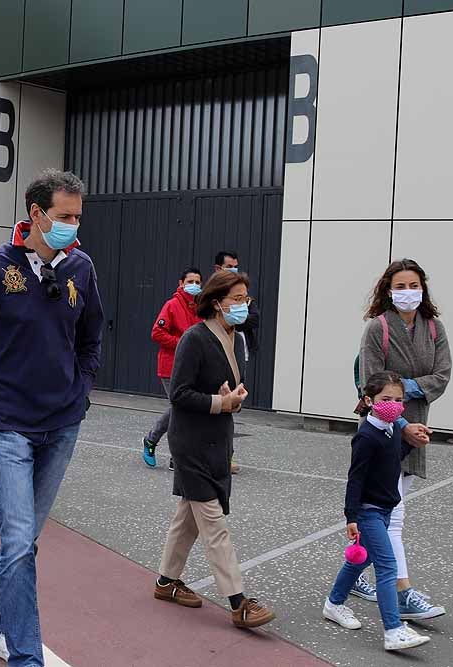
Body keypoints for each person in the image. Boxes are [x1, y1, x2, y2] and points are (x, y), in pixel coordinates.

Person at [0, 169, 103, 666]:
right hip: (9, 424)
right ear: (36, 214)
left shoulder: (81, 268)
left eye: (78, 216)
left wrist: (83, 388)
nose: (73, 225)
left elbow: (93, 335)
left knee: (23, 540)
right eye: (65, 216)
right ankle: (26, 657)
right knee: (18, 540)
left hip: (62, 422)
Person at [152, 269, 275, 629]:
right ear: (217, 302)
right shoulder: (194, 338)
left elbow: (227, 386)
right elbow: (178, 394)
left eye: (245, 299)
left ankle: (165, 582)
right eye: (236, 299)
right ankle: (239, 602)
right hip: (190, 442)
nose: (243, 306)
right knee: (213, 523)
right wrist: (220, 403)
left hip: (217, 439)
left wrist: (232, 398)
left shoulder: (232, 338)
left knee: (187, 519)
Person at [353, 259, 450, 619]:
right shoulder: (377, 329)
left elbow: (442, 374)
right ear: (388, 290)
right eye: (400, 286)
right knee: (390, 515)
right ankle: (402, 591)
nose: (407, 293)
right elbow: (371, 381)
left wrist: (410, 387)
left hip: (417, 427)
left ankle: (353, 572)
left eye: (413, 285)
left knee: (381, 511)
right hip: (383, 428)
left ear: (423, 287)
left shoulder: (434, 328)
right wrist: (402, 420)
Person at [322, 371, 432, 652]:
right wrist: (352, 517)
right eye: (386, 399)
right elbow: (355, 478)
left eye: (398, 399)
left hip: (385, 509)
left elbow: (391, 460)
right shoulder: (366, 437)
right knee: (387, 567)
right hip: (369, 512)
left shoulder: (393, 428)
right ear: (369, 400)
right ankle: (393, 630)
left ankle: (334, 604)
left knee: (359, 562)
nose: (394, 404)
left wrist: (410, 442)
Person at [143, 267, 203, 471]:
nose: (194, 285)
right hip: (171, 367)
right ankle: (173, 455)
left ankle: (152, 440)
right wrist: (182, 343)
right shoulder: (172, 305)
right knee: (181, 410)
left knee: (182, 409)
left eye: (198, 281)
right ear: (181, 283)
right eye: (190, 281)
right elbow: (157, 333)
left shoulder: (200, 308)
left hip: (193, 368)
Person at [213, 250, 260, 475]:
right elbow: (183, 394)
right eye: (229, 266)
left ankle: (225, 454)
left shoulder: (238, 341)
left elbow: (255, 318)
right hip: (194, 452)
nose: (233, 270)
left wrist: (236, 322)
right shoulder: (201, 336)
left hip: (239, 355)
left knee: (230, 407)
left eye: (236, 266)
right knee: (179, 410)